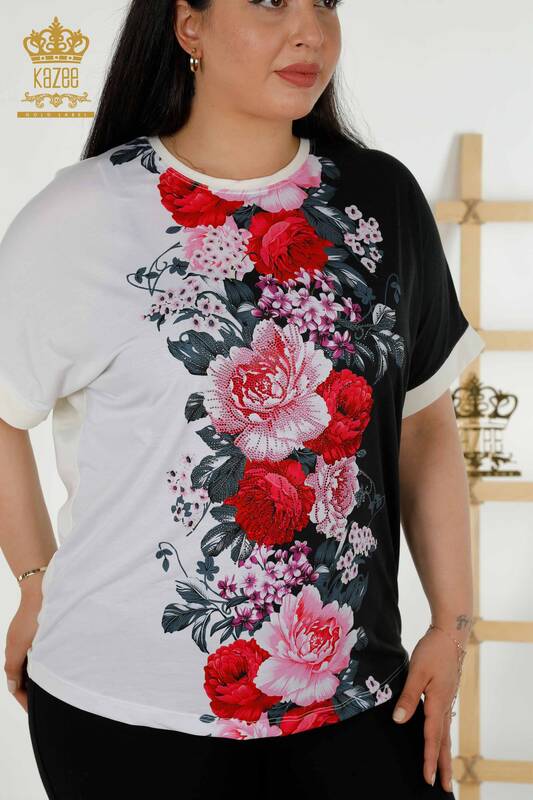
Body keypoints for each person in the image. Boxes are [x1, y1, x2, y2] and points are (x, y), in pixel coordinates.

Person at [0, 0, 485, 797]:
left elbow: (424, 426)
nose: (309, 31)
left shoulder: (379, 199)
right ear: (187, 25)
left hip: (357, 697)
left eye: (324, 2)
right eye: (268, 0)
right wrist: (32, 581)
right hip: (119, 711)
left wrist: (451, 624)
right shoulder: (82, 213)